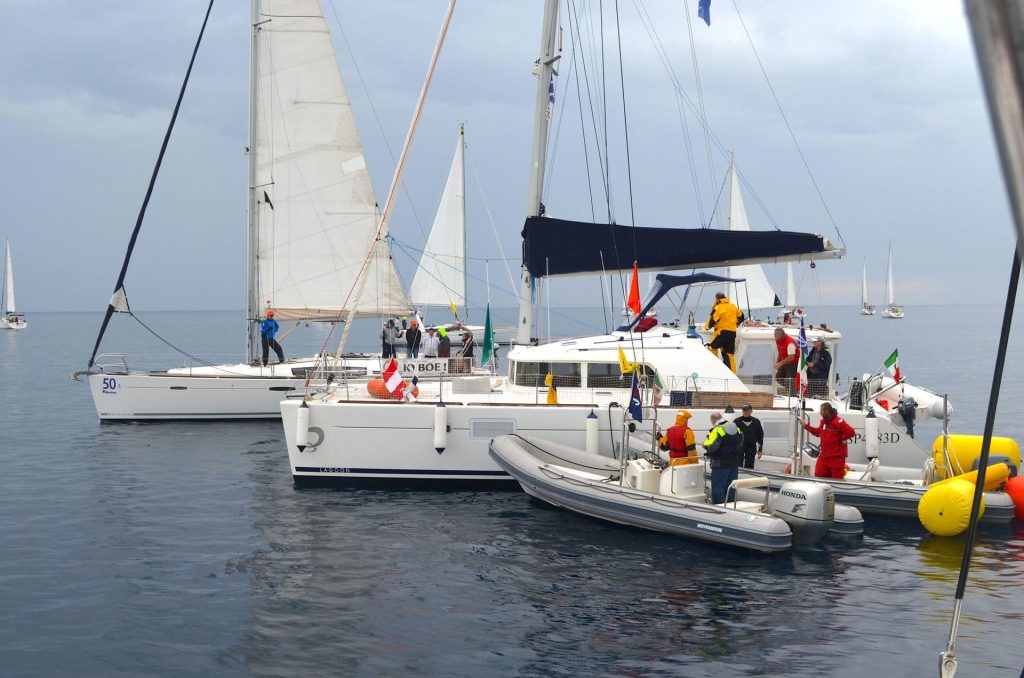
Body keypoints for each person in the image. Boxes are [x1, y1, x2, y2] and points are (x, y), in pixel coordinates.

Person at [802, 402, 856, 479]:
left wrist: (840, 438)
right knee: (819, 474)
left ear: (827, 411)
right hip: (824, 456)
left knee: (837, 478)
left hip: (836, 457)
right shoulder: (823, 422)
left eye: (821, 410)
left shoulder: (838, 421)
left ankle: (843, 476)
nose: (820, 412)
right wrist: (806, 426)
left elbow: (851, 432)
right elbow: (818, 432)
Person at [703, 412, 743, 504]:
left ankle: (719, 509)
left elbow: (712, 446)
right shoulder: (735, 427)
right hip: (734, 464)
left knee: (718, 488)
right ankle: (731, 507)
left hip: (720, 464)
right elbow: (741, 439)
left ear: (713, 420)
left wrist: (704, 445)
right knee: (731, 488)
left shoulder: (717, 430)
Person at [705, 292, 744, 372]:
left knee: (711, 348)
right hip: (732, 334)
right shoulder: (733, 306)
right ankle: (732, 375)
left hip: (721, 333)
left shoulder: (718, 307)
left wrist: (707, 327)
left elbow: (712, 321)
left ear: (717, 299)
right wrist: (736, 323)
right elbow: (741, 316)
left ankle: (715, 368)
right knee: (729, 356)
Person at [733, 404, 764, 469]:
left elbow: (760, 436)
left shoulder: (756, 421)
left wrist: (760, 450)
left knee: (750, 466)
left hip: (751, 447)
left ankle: (748, 478)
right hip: (739, 447)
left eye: (747, 410)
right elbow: (732, 435)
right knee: (737, 465)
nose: (745, 412)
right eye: (744, 410)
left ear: (751, 411)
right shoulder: (736, 421)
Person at [773, 327, 799, 396]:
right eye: (774, 334)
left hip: (792, 364)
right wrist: (777, 362)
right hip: (784, 362)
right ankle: (792, 390)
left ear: (781, 335)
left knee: (789, 381)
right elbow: (780, 352)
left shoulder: (790, 343)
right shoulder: (778, 340)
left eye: (776, 335)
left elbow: (791, 357)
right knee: (778, 378)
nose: (774, 336)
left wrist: (780, 363)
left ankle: (793, 395)